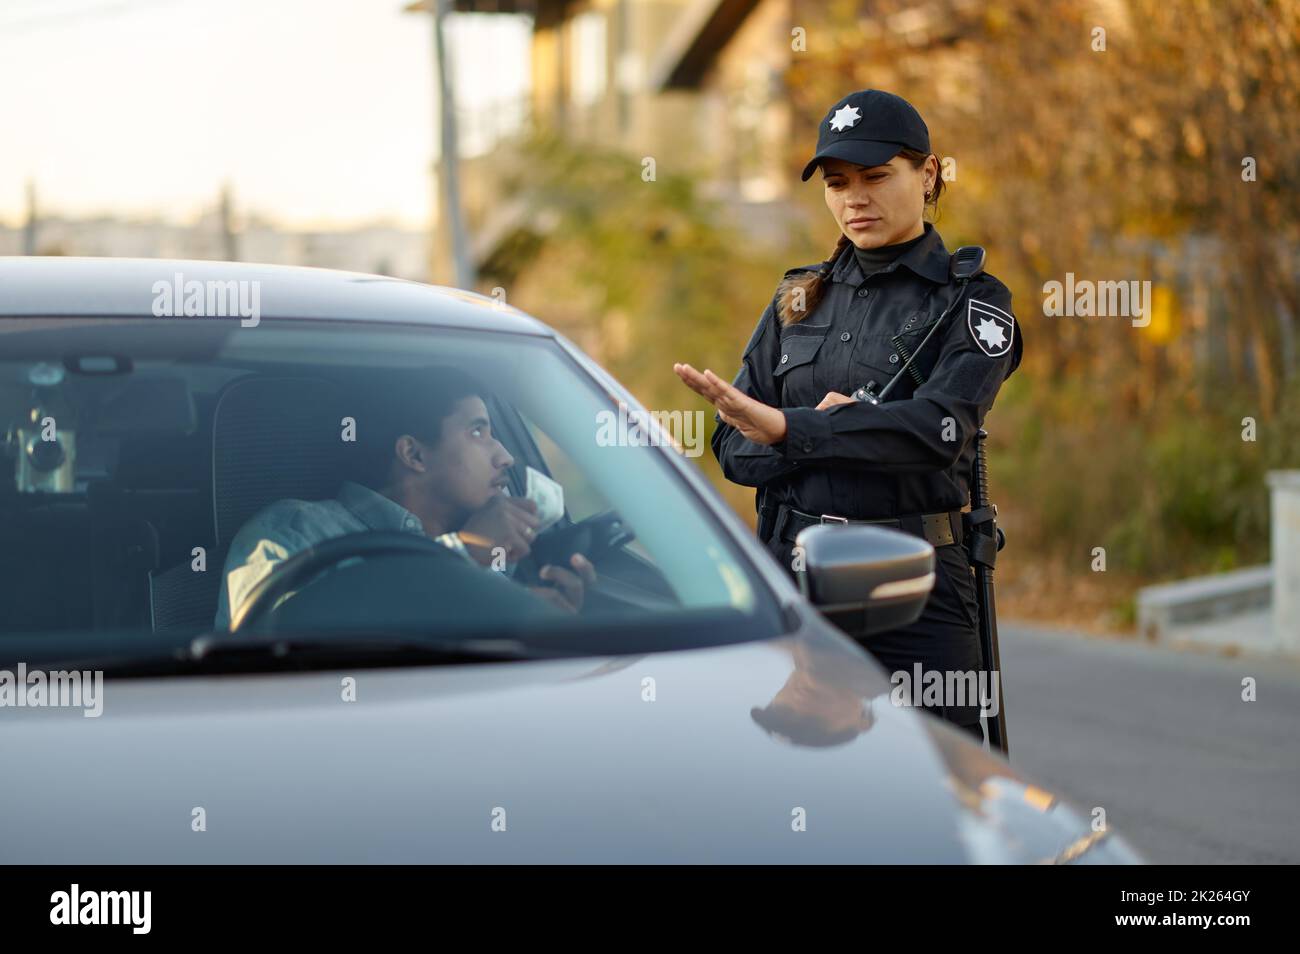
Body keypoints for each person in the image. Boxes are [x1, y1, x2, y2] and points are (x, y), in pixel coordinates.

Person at [675, 89, 1022, 740]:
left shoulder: (972, 302)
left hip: (916, 591)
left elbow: (937, 433)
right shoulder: (795, 298)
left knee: (936, 797)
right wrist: (800, 432)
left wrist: (793, 428)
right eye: (838, 183)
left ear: (928, 175)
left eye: (875, 177)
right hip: (794, 584)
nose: (854, 198)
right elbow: (733, 446)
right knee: (793, 793)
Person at [214, 368, 595, 630]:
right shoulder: (291, 533)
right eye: (478, 432)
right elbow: (277, 657)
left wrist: (542, 622)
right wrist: (463, 554)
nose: (505, 456)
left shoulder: (501, 549)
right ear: (413, 454)